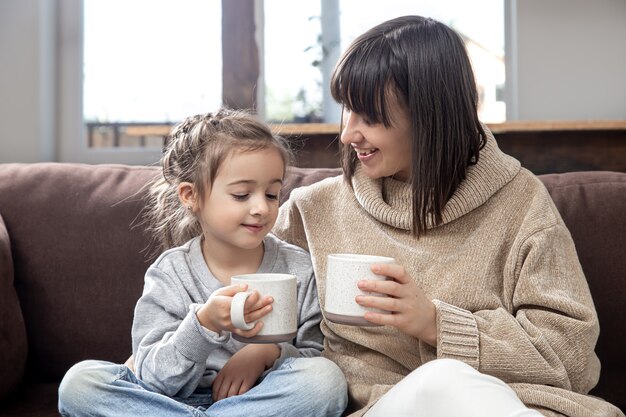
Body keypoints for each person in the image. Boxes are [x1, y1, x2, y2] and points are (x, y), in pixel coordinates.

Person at [273, 15, 624, 417]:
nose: (349, 133)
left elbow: (572, 357)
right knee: (439, 384)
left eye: (369, 117)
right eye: (347, 111)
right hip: (384, 408)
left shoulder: (522, 203)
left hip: (519, 405)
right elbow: (247, 301)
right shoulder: (312, 210)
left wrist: (436, 324)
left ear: (428, 115)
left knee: (445, 383)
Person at [58, 108, 348, 417]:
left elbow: (316, 354)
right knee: (80, 383)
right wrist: (203, 325)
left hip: (259, 404)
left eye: (272, 194)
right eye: (241, 195)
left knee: (326, 381)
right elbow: (152, 378)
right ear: (190, 195)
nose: (261, 207)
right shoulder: (170, 274)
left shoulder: (298, 267)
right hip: (167, 405)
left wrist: (267, 352)